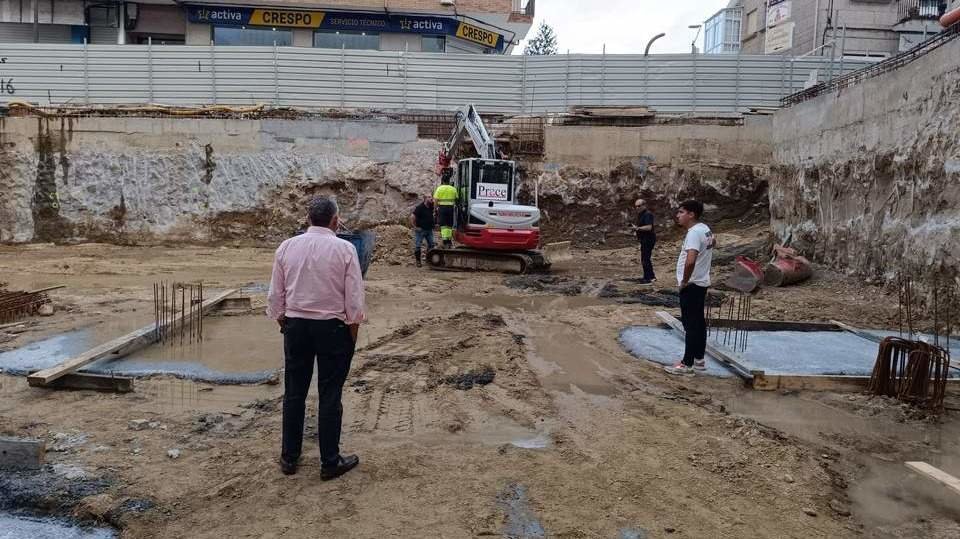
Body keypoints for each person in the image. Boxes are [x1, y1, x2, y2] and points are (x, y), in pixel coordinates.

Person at [266, 196, 365, 479]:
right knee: (330, 395)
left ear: (308, 219)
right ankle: (329, 461)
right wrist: (352, 335)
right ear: (335, 221)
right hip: (332, 329)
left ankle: (289, 459)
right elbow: (354, 300)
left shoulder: (287, 247)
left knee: (294, 393)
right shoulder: (345, 250)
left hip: (296, 327)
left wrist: (284, 321)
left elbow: (276, 294)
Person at [665, 199, 715, 376]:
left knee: (691, 325)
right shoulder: (705, 229)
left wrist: (684, 281)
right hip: (701, 282)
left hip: (692, 284)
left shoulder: (694, 233)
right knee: (698, 323)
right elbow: (709, 248)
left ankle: (687, 364)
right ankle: (699, 360)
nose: (677, 216)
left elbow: (691, 260)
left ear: (691, 214)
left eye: (681, 212)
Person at [433, 169, 458, 248]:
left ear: (442, 181)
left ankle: (445, 240)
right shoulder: (453, 189)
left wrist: (434, 210)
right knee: (449, 224)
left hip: (442, 208)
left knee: (443, 225)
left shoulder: (439, 189)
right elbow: (457, 198)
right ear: (449, 181)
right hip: (451, 209)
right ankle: (449, 240)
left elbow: (436, 200)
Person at [633, 198, 656, 284]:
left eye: (639, 206)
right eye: (636, 206)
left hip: (648, 239)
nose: (637, 208)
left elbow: (649, 227)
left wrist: (638, 228)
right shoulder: (641, 214)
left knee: (645, 259)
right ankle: (650, 276)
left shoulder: (647, 214)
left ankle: (648, 278)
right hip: (644, 239)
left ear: (644, 205)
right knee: (645, 258)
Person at [410, 195, 436, 267]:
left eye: (431, 197)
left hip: (429, 229)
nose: (431, 199)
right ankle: (418, 262)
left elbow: (436, 207)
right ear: (425, 199)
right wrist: (415, 227)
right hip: (421, 230)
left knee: (431, 245)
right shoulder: (420, 207)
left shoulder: (431, 206)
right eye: (429, 197)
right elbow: (412, 217)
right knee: (418, 246)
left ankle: (428, 260)